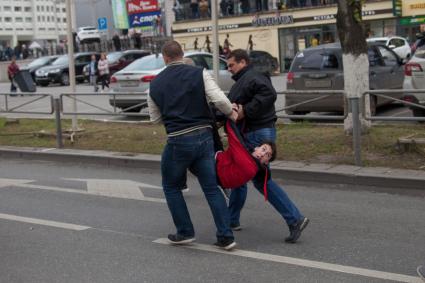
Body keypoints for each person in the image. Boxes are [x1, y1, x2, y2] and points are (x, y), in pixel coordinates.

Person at [148, 41, 238, 250]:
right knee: (211, 187)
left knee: (171, 186)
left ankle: (185, 231)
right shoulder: (200, 74)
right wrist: (230, 114)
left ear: (165, 57)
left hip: (178, 139)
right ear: (182, 54)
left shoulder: (155, 83)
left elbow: (154, 119)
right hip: (205, 137)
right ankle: (226, 236)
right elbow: (220, 100)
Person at [226, 49, 309, 243]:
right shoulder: (247, 78)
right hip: (253, 132)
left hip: (257, 133)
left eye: (231, 65)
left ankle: (295, 218)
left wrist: (246, 111)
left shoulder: (253, 77)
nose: (229, 69)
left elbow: (269, 94)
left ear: (243, 62)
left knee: (260, 180)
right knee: (240, 174)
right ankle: (230, 219)